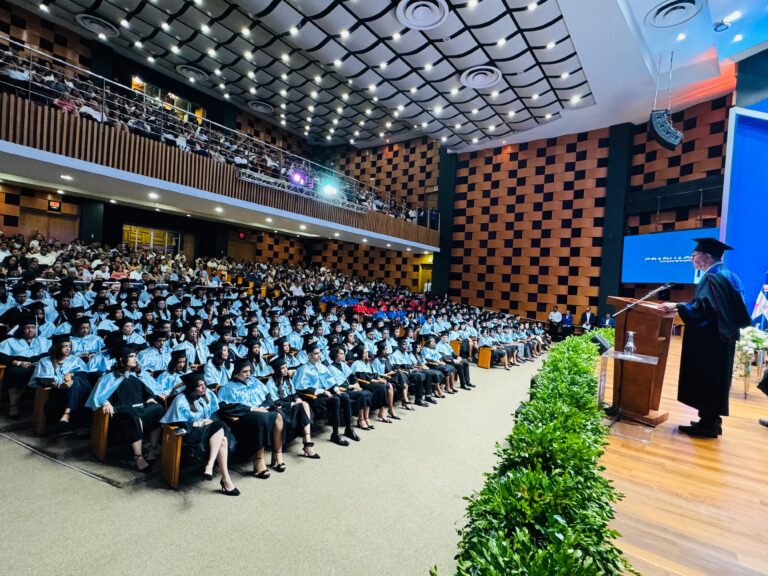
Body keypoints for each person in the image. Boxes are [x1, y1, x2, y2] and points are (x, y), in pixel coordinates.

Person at [659, 238, 751, 439]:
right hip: (723, 339)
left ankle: (708, 425)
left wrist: (679, 307)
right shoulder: (729, 275)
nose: (691, 258)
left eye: (694, 255)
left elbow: (706, 310)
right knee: (717, 379)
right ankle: (711, 420)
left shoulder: (712, 278)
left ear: (706, 257)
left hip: (711, 341)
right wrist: (681, 306)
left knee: (708, 378)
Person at [85, 346, 165, 472]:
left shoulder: (136, 375)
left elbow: (147, 391)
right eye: (132, 357)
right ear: (122, 359)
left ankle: (152, 448)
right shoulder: (109, 377)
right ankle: (138, 456)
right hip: (121, 411)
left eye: (135, 356)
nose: (135, 359)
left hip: (139, 408)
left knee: (159, 409)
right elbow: (101, 395)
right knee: (132, 416)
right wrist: (106, 402)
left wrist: (150, 397)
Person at [160, 371, 239, 495]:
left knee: (222, 437)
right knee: (220, 427)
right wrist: (197, 423)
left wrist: (209, 422)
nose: (204, 388)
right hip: (191, 434)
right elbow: (175, 421)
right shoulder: (181, 400)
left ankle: (223, 476)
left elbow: (215, 414)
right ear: (191, 387)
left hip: (208, 431)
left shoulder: (208, 394)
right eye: (199, 385)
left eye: (204, 384)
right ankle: (214, 469)